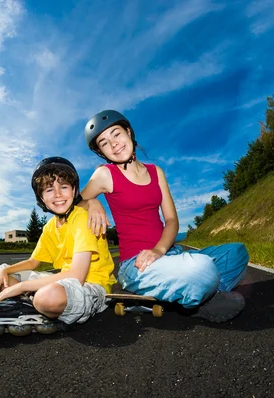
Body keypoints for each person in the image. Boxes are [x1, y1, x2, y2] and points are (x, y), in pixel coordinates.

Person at [80, 109, 248, 323]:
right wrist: (92, 202)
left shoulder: (156, 172)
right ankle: (198, 294)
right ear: (101, 152)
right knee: (203, 269)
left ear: (129, 132)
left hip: (169, 253)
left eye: (116, 134)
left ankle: (200, 295)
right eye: (104, 143)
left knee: (237, 252)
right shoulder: (104, 174)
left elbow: (171, 220)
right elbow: (72, 205)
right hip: (136, 263)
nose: (113, 144)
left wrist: (159, 250)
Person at [0, 156, 117, 325]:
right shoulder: (50, 226)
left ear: (73, 191)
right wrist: (4, 272)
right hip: (64, 282)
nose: (58, 194)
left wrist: (22, 287)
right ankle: (34, 302)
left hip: (90, 285)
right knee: (3, 274)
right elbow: (33, 262)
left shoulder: (82, 218)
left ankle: (34, 301)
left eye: (63, 187)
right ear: (42, 198)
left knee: (47, 297)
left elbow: (77, 276)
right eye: (49, 190)